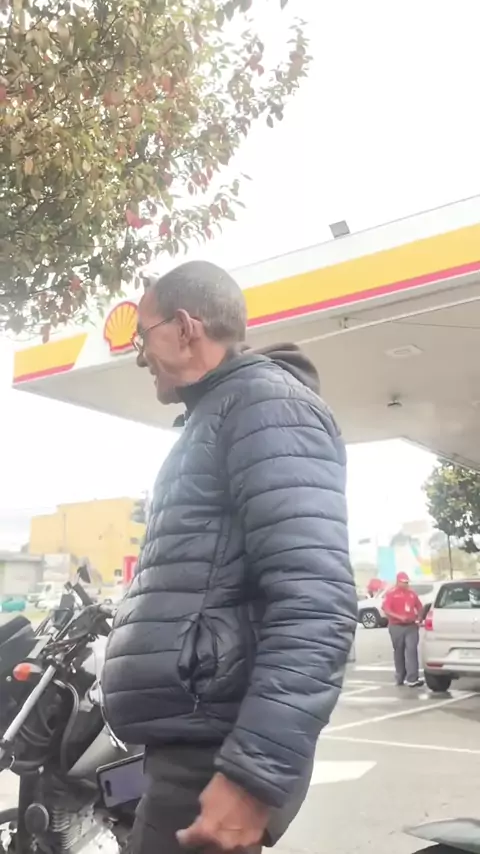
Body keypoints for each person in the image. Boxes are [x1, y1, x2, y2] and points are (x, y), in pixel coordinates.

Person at [102, 261, 358, 854]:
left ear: (185, 327)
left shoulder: (264, 406)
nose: (139, 357)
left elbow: (317, 603)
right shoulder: (218, 413)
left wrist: (252, 777)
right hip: (189, 745)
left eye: (142, 336)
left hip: (214, 752)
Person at [382, 571, 424, 687]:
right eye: (403, 582)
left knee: (411, 650)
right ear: (398, 582)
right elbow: (386, 609)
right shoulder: (391, 594)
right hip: (396, 626)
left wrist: (419, 618)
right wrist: (399, 617)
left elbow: (419, 607)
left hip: (411, 626)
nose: (406, 584)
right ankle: (400, 676)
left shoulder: (412, 594)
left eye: (407, 582)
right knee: (399, 651)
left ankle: (412, 678)